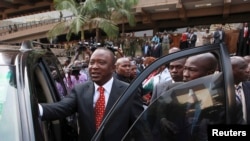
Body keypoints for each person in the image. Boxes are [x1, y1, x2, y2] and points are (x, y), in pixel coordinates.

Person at [39, 48, 144, 141]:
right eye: (91, 62)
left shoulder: (129, 91)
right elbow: (61, 108)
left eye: (101, 63)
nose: (94, 67)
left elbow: (141, 128)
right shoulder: (80, 90)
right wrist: (35, 109)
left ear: (113, 68)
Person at [231, 56, 250, 124]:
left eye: (247, 66)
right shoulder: (219, 90)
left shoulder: (248, 86)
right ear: (230, 70)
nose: (248, 70)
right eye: (242, 68)